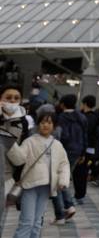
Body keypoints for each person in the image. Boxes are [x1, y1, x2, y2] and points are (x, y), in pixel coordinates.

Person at [7, 112, 70, 238]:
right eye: (42, 122)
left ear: (54, 126)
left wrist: (63, 181)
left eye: (49, 122)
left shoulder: (57, 145)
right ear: (37, 124)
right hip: (30, 185)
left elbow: (64, 164)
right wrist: (11, 143)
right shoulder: (30, 141)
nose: (45, 125)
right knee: (27, 222)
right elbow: (18, 159)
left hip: (47, 187)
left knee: (37, 222)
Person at [52, 94, 87, 225]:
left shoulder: (61, 118)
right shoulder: (81, 117)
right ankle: (68, 207)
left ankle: (64, 210)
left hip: (63, 151)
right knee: (64, 178)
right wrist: (83, 153)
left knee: (58, 180)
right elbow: (85, 135)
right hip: (77, 151)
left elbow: (61, 136)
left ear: (62, 104)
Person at [1, 83, 29, 232]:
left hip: (6, 176)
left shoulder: (23, 123)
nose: (12, 101)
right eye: (8, 97)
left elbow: (21, 156)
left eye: (16, 98)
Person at [74, 95, 98, 204]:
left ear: (85, 104)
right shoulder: (96, 117)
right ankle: (80, 194)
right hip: (91, 149)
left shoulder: (83, 117)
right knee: (83, 172)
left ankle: (79, 195)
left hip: (83, 148)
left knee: (79, 172)